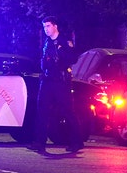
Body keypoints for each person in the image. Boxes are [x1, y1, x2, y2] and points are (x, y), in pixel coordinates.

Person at [27, 16, 84, 154]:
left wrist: (60, 51)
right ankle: (39, 142)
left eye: (48, 26)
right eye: (44, 26)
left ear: (55, 26)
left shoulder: (65, 41)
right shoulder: (46, 42)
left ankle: (77, 142)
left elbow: (73, 58)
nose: (46, 29)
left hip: (60, 81)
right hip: (47, 80)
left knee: (67, 111)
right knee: (42, 111)